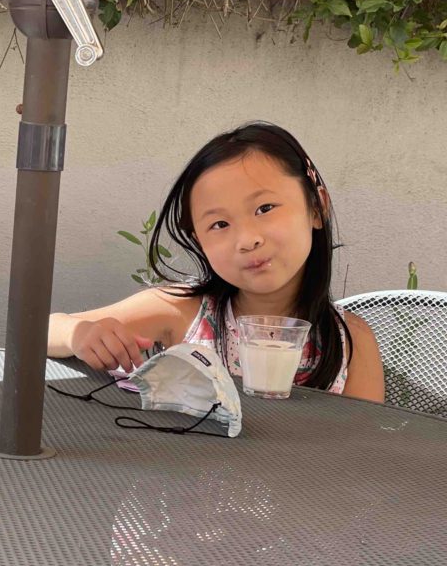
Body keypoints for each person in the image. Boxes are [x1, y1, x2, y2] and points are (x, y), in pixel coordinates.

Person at [47, 122, 385, 403]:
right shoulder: (182, 311)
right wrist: (81, 334)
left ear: (316, 207)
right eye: (219, 225)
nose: (247, 239)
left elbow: (368, 447)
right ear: (199, 240)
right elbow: (40, 331)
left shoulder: (349, 340)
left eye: (265, 209)